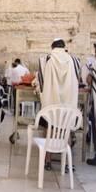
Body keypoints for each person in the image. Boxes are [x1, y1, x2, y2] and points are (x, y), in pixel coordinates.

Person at [36, 38, 81, 170]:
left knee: (49, 128)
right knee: (66, 129)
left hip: (51, 103)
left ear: (52, 47)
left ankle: (48, 161)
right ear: (64, 46)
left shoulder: (46, 59)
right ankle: (67, 163)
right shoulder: (73, 60)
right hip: (68, 105)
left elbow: (42, 82)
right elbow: (77, 79)